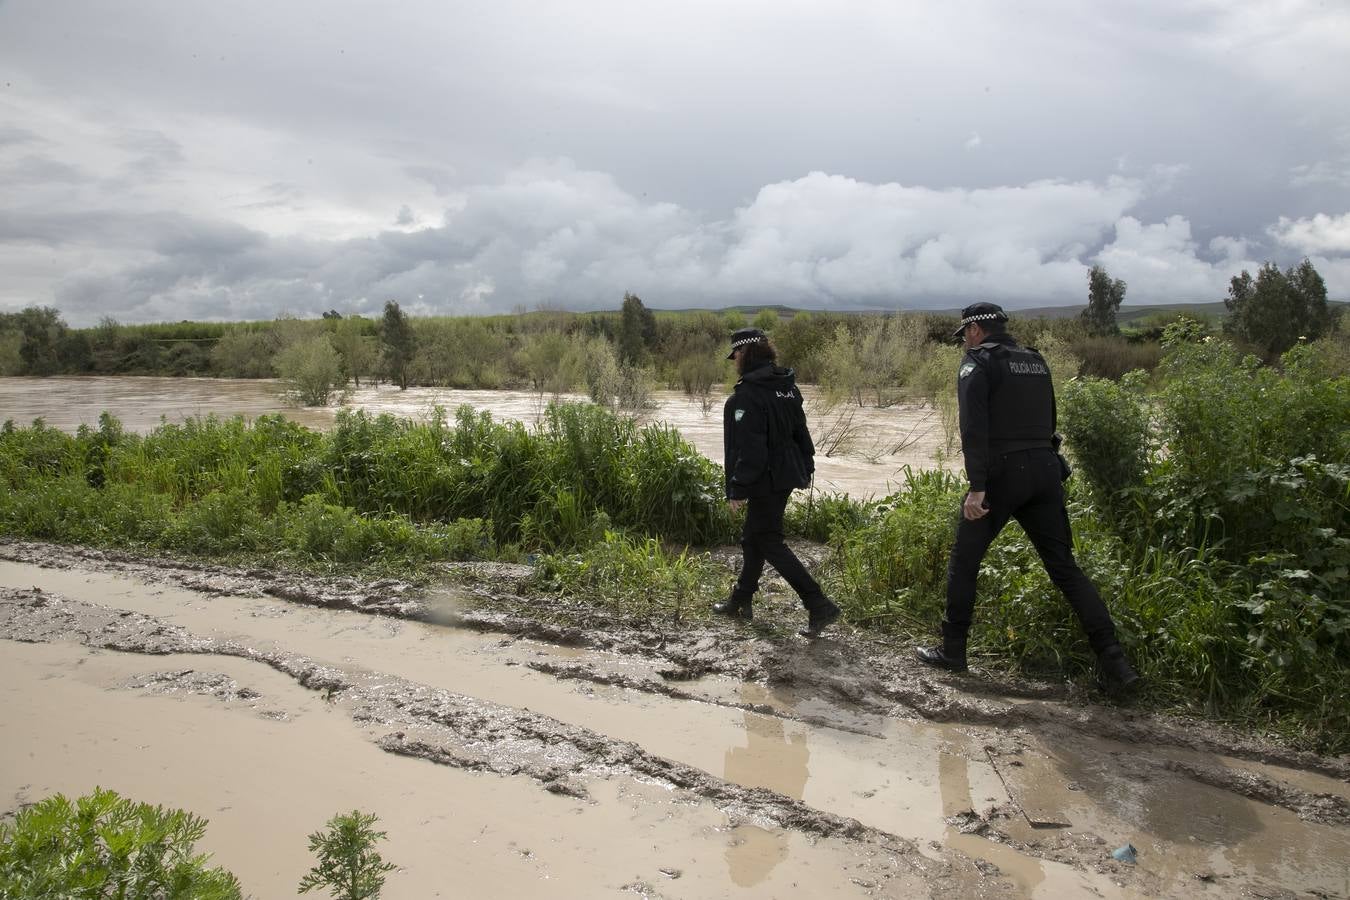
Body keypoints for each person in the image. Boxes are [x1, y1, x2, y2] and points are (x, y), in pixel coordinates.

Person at [915, 303, 1139, 691]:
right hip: (1045, 469)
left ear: (974, 331)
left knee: (964, 560)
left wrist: (977, 487)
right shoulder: (1035, 361)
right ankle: (1117, 665)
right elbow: (1050, 420)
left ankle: (953, 652)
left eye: (964, 335)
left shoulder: (977, 363)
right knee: (1065, 568)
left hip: (1002, 474)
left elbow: (973, 430)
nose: (964, 342)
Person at [715, 327, 841, 637]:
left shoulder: (747, 396)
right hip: (785, 474)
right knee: (753, 538)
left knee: (768, 540)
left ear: (745, 354)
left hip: (764, 479)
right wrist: (807, 465)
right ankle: (741, 600)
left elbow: (751, 450)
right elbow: (802, 434)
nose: (734, 362)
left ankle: (818, 604)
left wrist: (738, 488)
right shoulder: (787, 387)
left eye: (736, 355)